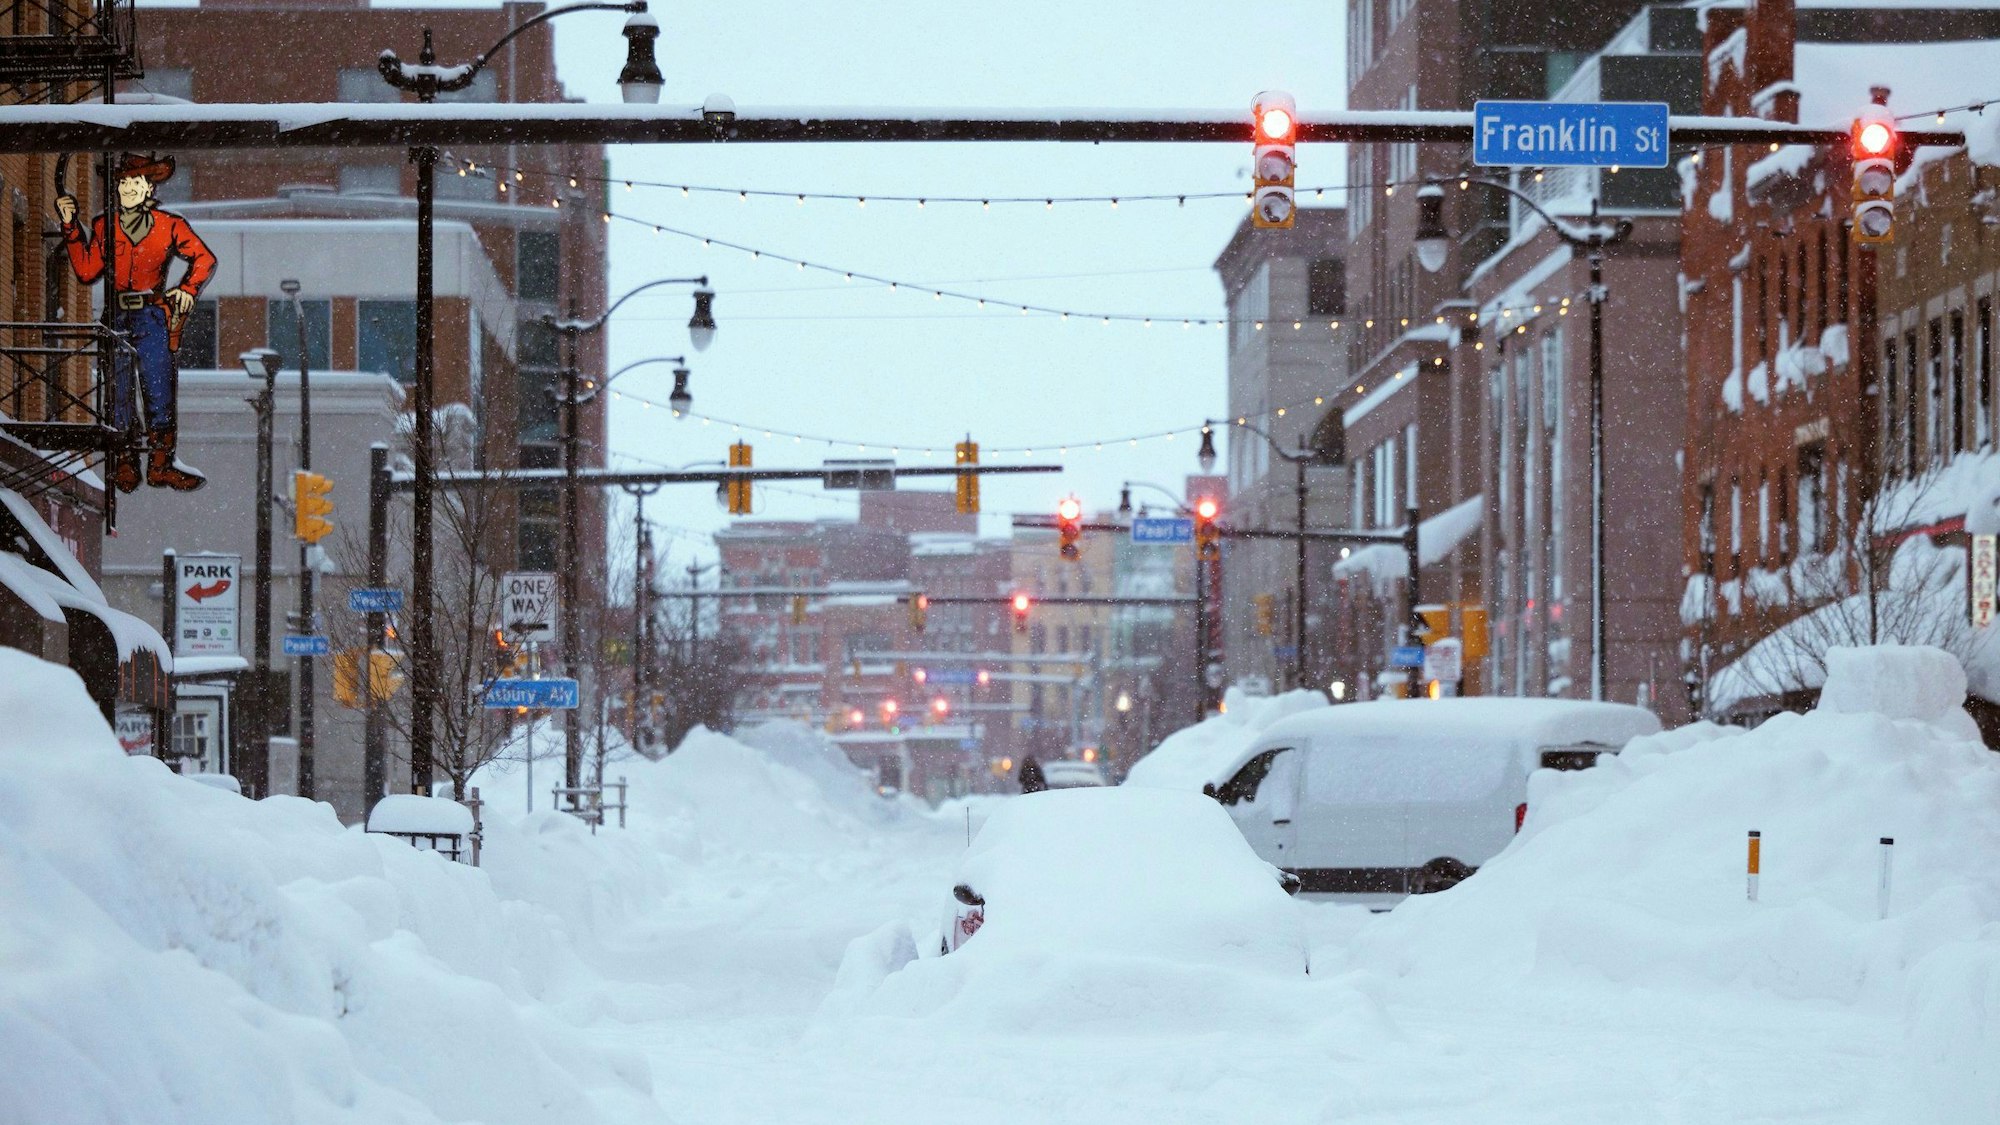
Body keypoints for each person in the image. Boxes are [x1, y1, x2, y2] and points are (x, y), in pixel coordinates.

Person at [57, 151, 217, 493]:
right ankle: (125, 461)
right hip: (116, 316)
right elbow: (87, 269)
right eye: (124, 182)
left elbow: (204, 259)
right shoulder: (105, 225)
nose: (128, 188)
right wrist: (71, 227)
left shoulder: (169, 225)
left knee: (158, 387)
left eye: (136, 182)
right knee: (118, 389)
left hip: (152, 314)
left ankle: (161, 464)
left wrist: (187, 289)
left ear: (149, 188)